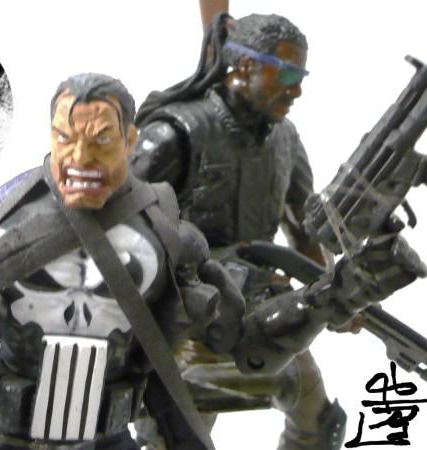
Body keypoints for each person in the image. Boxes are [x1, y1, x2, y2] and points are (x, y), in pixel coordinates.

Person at [0, 72, 421, 450]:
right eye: (66, 137)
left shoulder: (172, 242)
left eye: (101, 139)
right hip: (5, 438)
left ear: (131, 142)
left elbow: (249, 344)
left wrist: (340, 291)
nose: (80, 156)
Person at [131, 12, 346, 450]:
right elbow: (123, 233)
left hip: (263, 315)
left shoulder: (285, 139)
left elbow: (303, 228)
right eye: (287, 74)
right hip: (188, 323)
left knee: (321, 425)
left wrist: (333, 291)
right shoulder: (176, 133)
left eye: (300, 77)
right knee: (178, 439)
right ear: (245, 66)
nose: (297, 89)